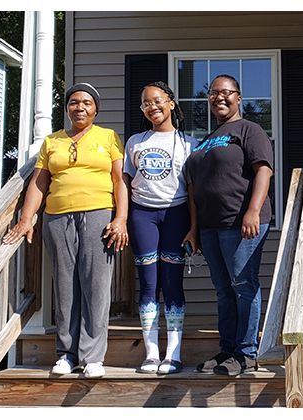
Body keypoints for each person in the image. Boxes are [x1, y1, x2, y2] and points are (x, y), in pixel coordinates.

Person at [3, 83, 128, 379]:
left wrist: (121, 219)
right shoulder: (52, 142)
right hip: (57, 217)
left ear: (95, 109)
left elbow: (120, 181)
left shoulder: (109, 138)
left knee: (96, 285)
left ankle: (92, 357)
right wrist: (26, 218)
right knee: (64, 285)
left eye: (86, 102)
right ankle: (66, 354)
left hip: (99, 213)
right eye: (74, 102)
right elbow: (39, 183)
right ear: (67, 108)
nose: (79, 107)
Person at [184, 74, 274, 376]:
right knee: (224, 290)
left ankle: (246, 353)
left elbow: (263, 171)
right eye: (213, 93)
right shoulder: (206, 140)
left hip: (241, 223)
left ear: (239, 97)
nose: (219, 98)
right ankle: (227, 350)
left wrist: (253, 210)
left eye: (226, 92)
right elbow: (195, 188)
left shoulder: (250, 130)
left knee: (243, 286)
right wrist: (194, 230)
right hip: (210, 227)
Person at [123, 82, 199, 375]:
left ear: (170, 102)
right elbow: (125, 185)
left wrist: (194, 227)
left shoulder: (188, 143)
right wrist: (123, 219)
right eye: (145, 103)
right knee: (148, 284)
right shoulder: (135, 142)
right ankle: (151, 353)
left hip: (176, 214)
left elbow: (192, 190)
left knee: (172, 283)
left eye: (157, 101)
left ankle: (174, 353)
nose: (152, 107)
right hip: (143, 215)